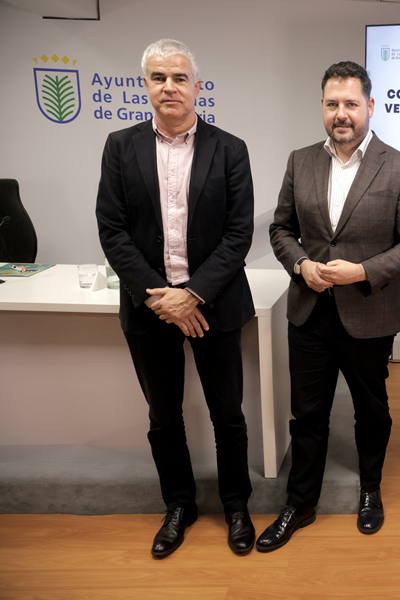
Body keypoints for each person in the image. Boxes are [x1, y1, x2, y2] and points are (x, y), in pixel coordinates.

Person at [259, 61, 400, 551]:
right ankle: (300, 503)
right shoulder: (300, 161)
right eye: (333, 104)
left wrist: (363, 271)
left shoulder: (399, 168)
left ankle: (370, 489)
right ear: (322, 106)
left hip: (369, 313)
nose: (342, 113)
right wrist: (300, 265)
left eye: (351, 104)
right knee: (307, 414)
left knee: (370, 411)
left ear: (369, 106)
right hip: (308, 311)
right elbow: (281, 229)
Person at [95, 39, 256, 558]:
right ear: (145, 85)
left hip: (215, 305)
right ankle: (179, 506)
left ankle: (236, 504)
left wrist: (194, 295)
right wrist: (160, 299)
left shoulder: (230, 148)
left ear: (196, 86)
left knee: (227, 413)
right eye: (159, 77)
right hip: (150, 309)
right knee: (164, 417)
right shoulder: (120, 146)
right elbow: (113, 230)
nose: (169, 87)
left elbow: (238, 233)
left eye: (179, 77)